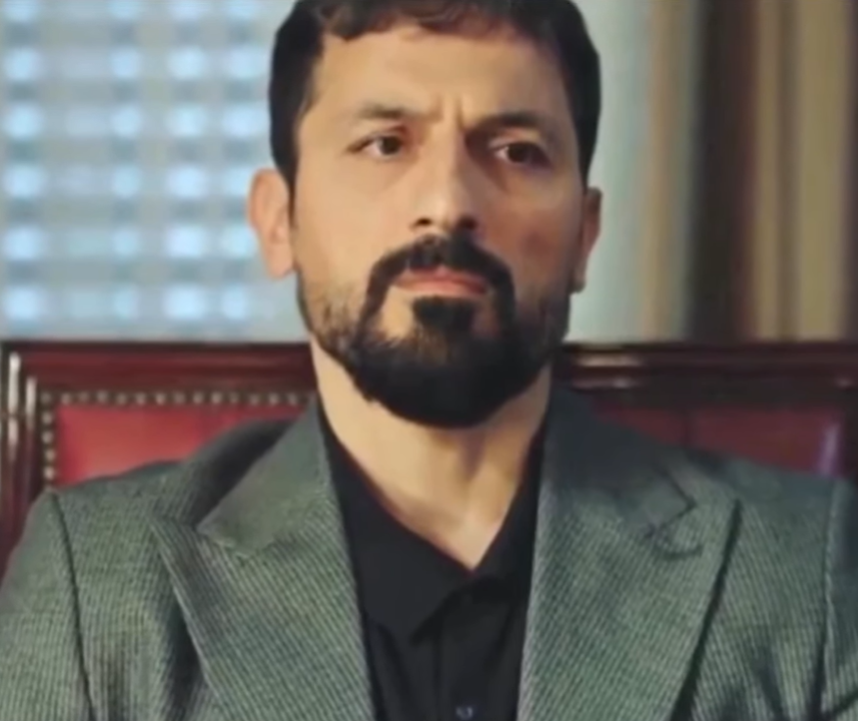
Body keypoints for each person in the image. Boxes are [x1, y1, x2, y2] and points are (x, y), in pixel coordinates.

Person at [2, 0, 858, 719]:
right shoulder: (95, 587)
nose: (447, 202)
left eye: (516, 150)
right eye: (385, 143)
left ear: (584, 237)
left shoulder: (806, 570)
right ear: (279, 220)